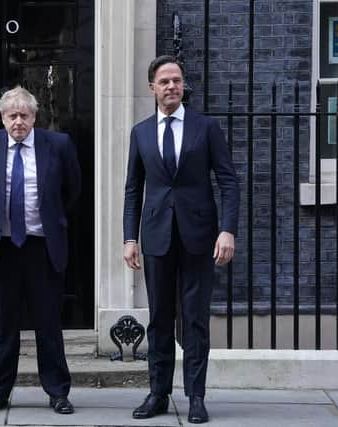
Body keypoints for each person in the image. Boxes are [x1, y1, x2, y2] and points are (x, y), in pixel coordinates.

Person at [123, 55, 240, 424]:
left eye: (176, 80)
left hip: (199, 236)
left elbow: (229, 180)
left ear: (183, 85)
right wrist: (129, 237)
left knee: (195, 319)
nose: (171, 86)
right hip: (156, 236)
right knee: (159, 318)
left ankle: (196, 396)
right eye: (164, 81)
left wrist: (228, 229)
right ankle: (158, 393)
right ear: (152, 88)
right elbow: (132, 189)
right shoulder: (140, 132)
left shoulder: (205, 128)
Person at [0, 86, 81, 415]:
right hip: (2, 247)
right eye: (11, 115)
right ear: (1, 117)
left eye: (24, 115)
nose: (18, 121)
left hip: (42, 247)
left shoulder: (57, 145)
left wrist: (51, 218)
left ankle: (58, 391)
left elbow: (72, 189)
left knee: (48, 323)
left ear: (35, 117)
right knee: (4, 324)